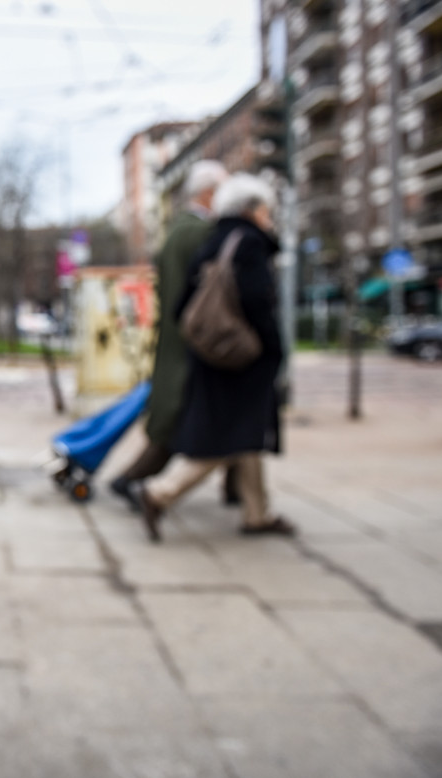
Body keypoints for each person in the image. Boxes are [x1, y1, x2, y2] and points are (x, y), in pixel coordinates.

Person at [129, 173, 295, 542]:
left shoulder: (213, 241)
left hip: (211, 356)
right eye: (267, 208)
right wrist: (272, 349)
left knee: (246, 436)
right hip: (242, 358)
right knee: (229, 437)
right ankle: (159, 493)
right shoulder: (248, 243)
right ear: (252, 208)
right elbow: (257, 306)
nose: (269, 216)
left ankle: (257, 513)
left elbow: (182, 305)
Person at [110, 160, 229, 504]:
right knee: (181, 418)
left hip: (178, 339)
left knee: (182, 416)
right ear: (208, 192)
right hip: (192, 341)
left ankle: (241, 493)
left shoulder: (179, 229)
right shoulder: (199, 232)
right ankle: (139, 483)